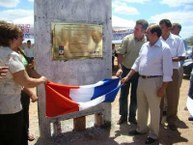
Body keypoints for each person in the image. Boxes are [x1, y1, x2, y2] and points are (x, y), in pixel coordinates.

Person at [122, 24, 173, 144]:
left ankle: (154, 134)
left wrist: (163, 88)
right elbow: (137, 62)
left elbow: (168, 71)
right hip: (141, 80)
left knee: (154, 109)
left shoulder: (164, 49)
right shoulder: (145, 45)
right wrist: (128, 76)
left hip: (155, 82)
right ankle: (141, 129)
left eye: (148, 32)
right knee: (142, 107)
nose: (146, 34)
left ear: (155, 34)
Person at [0, 21, 47, 145]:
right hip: (9, 109)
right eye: (20, 36)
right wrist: (42, 80)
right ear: (12, 38)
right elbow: (25, 81)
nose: (23, 39)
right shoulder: (11, 56)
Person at [116, 19, 149, 124]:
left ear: (144, 31)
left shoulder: (147, 42)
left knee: (135, 95)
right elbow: (120, 54)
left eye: (137, 29)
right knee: (123, 94)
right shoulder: (127, 39)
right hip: (126, 70)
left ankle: (132, 116)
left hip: (138, 73)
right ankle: (123, 116)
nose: (134, 30)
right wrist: (120, 68)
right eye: (135, 28)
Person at [159, 19, 186, 131]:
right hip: (159, 71)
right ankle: (158, 119)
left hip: (173, 71)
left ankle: (171, 121)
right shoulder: (157, 39)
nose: (160, 29)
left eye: (162, 27)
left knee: (172, 97)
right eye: (159, 27)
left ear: (169, 28)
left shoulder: (177, 40)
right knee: (159, 96)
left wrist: (167, 59)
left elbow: (182, 56)